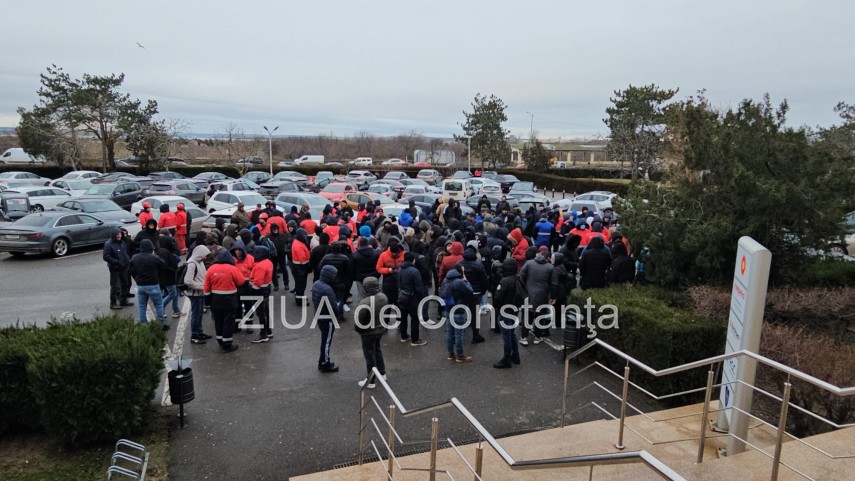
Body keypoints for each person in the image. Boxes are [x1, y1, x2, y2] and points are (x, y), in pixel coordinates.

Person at [203, 250, 245, 352]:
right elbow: (241, 281)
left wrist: (207, 299)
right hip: (230, 298)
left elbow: (206, 287)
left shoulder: (211, 269)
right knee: (228, 320)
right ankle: (227, 343)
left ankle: (220, 340)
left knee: (218, 320)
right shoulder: (232, 269)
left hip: (216, 299)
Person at [355, 276, 388, 388]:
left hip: (368, 333)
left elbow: (359, 321)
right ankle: (382, 373)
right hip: (380, 330)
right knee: (377, 350)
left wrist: (359, 330)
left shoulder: (365, 302)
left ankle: (371, 380)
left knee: (369, 355)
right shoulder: (383, 297)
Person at [519, 247, 556, 345]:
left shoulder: (529, 263)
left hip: (529, 294)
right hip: (543, 296)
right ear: (548, 258)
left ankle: (524, 337)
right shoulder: (550, 267)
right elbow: (554, 283)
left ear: (538, 255)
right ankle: (537, 337)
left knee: (527, 317)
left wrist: (524, 290)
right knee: (540, 317)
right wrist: (553, 297)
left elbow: (521, 276)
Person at [439, 265, 474, 363]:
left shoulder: (446, 280)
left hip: (448, 309)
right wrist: (466, 280)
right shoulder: (460, 282)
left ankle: (450, 353)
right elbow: (470, 291)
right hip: (458, 310)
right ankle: (460, 355)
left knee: (449, 333)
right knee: (459, 333)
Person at [129, 239, 167, 327]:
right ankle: (161, 324)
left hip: (141, 285)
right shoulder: (154, 258)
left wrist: (136, 278)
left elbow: (130, 270)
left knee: (142, 306)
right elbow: (163, 266)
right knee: (158, 305)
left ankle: (143, 324)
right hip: (153, 284)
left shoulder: (135, 257)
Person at [312, 265, 342, 373]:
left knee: (325, 340)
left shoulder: (316, 284)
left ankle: (323, 361)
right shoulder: (328, 289)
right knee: (326, 342)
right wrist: (339, 306)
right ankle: (324, 363)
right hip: (327, 318)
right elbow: (334, 307)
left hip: (319, 315)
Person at [492, 258, 522, 369]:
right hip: (514, 309)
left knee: (506, 337)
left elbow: (498, 298)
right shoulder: (518, 278)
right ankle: (516, 355)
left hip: (505, 311)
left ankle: (506, 359)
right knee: (512, 333)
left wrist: (496, 307)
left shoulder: (504, 281)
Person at [456, 245, 487, 343]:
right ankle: (475, 336)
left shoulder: (458, 264)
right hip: (475, 293)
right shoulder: (479, 265)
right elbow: (483, 280)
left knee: (460, 312)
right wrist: (482, 291)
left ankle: (458, 335)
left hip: (463, 292)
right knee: (475, 315)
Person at [397, 252, 428, 346]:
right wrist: (420, 296)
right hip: (412, 297)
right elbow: (419, 286)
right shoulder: (414, 271)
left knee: (403, 316)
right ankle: (415, 340)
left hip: (402, 296)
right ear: (413, 260)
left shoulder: (399, 269)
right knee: (415, 318)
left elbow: (398, 283)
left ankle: (404, 336)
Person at [184, 245, 212, 344]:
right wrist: (202, 286)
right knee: (196, 314)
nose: (206, 257)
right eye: (205, 255)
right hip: (195, 294)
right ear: (200, 254)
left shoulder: (199, 262)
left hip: (199, 293)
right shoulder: (192, 263)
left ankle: (199, 332)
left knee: (199, 314)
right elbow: (188, 281)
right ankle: (194, 335)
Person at [250, 245, 274, 343]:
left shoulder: (260, 266)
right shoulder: (268, 262)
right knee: (266, 311)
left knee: (261, 313)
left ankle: (263, 334)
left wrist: (252, 288)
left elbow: (258, 282)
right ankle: (268, 331)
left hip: (259, 291)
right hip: (266, 288)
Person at [103, 227, 132, 310]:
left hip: (124, 267)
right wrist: (116, 262)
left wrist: (127, 261)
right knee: (115, 286)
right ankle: (113, 303)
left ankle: (123, 300)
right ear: (113, 235)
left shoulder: (122, 242)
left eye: (120, 234)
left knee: (125, 283)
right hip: (114, 268)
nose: (119, 236)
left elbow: (124, 253)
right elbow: (106, 256)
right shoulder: (108, 244)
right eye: (117, 234)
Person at [157, 233, 182, 319]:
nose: (172, 244)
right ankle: (161, 309)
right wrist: (174, 270)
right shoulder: (163, 252)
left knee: (174, 293)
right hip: (167, 277)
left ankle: (176, 310)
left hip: (170, 276)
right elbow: (164, 265)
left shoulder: (166, 251)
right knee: (172, 293)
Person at [376, 237, 405, 308]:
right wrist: (388, 270)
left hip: (400, 283)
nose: (394, 254)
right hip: (387, 283)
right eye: (393, 253)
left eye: (396, 253)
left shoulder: (404, 255)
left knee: (400, 305)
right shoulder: (383, 255)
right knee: (387, 304)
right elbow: (378, 268)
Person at [352, 236, 380, 301]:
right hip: (373, 277)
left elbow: (352, 268)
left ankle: (364, 306)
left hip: (360, 278)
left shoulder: (355, 255)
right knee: (374, 295)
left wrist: (355, 278)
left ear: (359, 244)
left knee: (362, 296)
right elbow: (378, 266)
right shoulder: (375, 253)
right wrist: (377, 276)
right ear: (367, 243)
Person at [291, 228, 312, 304]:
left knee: (298, 283)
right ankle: (300, 300)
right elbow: (302, 259)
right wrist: (307, 266)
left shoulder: (296, 242)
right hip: (300, 267)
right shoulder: (299, 245)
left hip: (297, 266)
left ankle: (298, 296)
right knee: (301, 284)